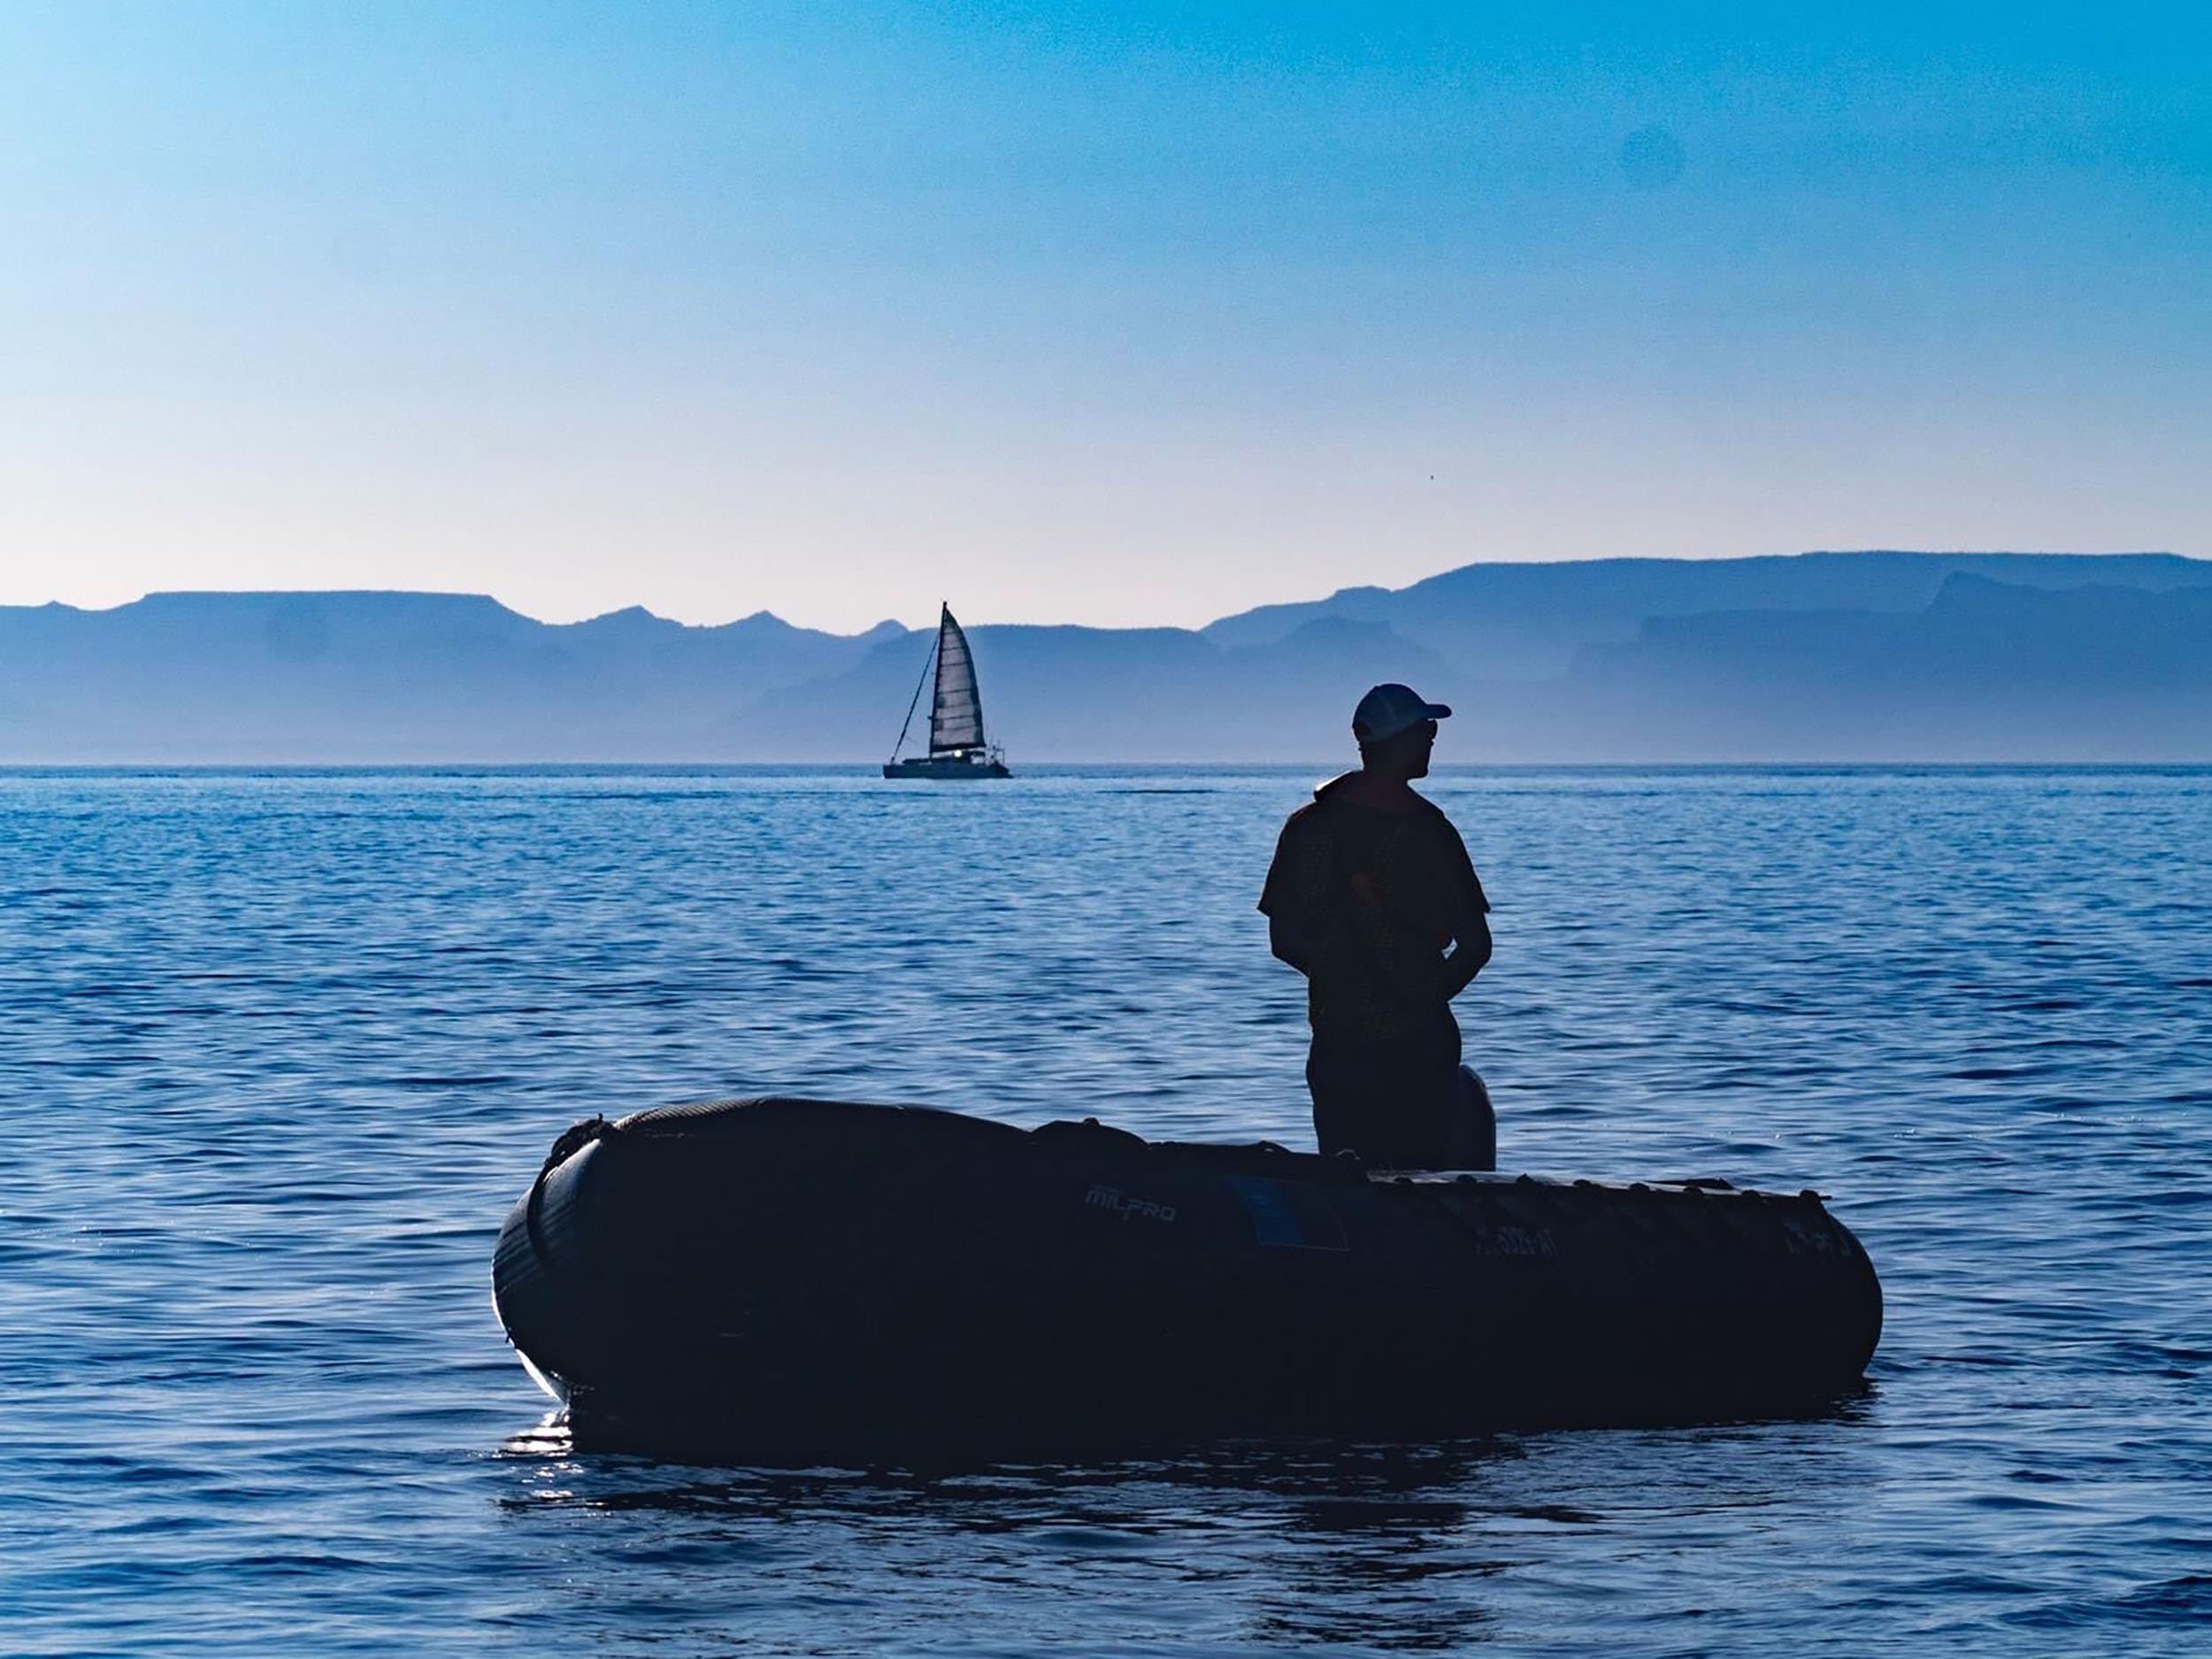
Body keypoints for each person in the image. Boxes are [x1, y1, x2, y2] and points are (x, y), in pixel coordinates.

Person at [1258, 683, 1492, 1167]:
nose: (1432, 740)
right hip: (1418, 1048)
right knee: (1419, 1179)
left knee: (1347, 1178)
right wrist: (1420, 996)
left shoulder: (1304, 828)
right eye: (1425, 730)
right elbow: (1475, 946)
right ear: (1399, 740)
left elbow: (1284, 941)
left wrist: (1343, 985)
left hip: (1337, 1044)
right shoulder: (1432, 834)